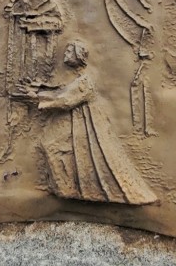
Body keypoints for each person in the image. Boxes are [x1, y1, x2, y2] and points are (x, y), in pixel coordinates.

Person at [28, 40, 156, 205]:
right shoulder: (80, 79)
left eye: (69, 52)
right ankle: (66, 187)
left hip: (90, 127)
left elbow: (65, 100)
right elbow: (62, 91)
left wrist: (37, 98)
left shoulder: (85, 82)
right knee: (52, 146)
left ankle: (68, 188)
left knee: (58, 147)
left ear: (77, 56)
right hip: (78, 123)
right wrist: (41, 90)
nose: (65, 55)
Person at [0, 0, 64, 163]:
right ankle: (11, 148)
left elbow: (57, 21)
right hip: (18, 57)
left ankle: (41, 153)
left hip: (37, 57)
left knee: (37, 103)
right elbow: (12, 13)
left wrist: (32, 22)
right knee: (15, 101)